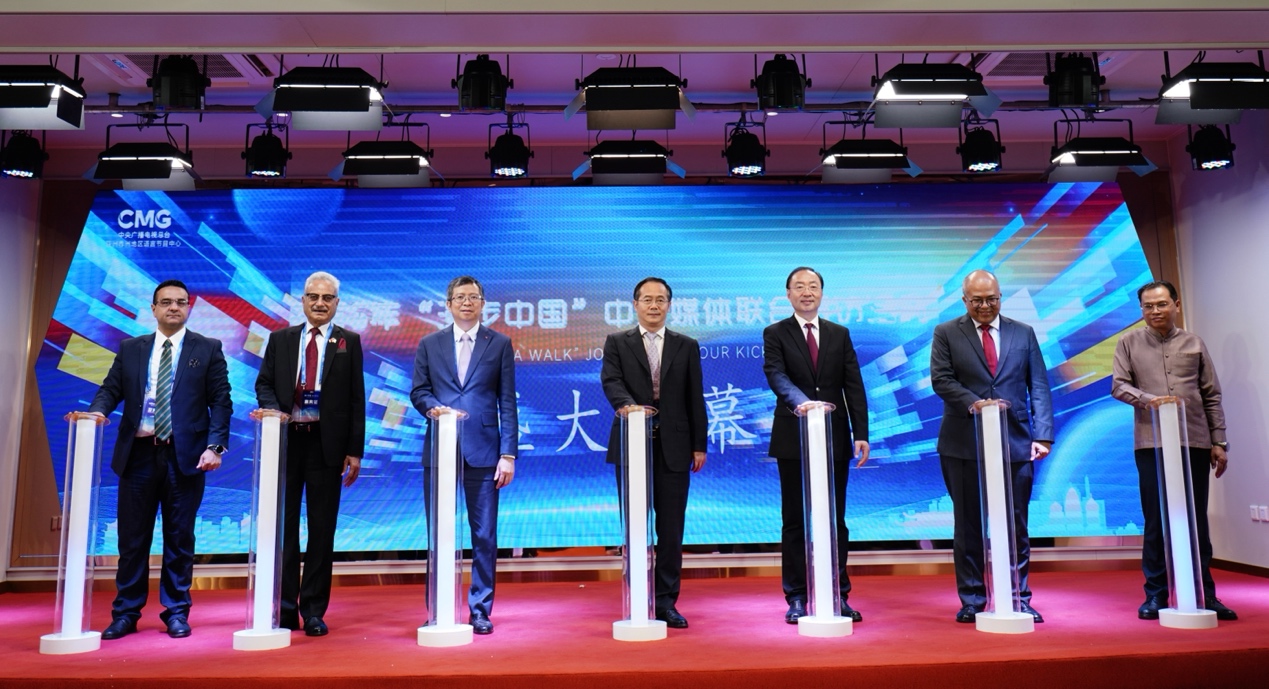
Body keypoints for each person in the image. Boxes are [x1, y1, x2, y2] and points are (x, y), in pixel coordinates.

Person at [89, 279, 232, 640]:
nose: (173, 307)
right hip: (137, 455)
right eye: (166, 302)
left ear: (189, 308)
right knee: (132, 540)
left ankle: (176, 611)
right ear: (153, 308)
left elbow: (221, 401)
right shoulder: (131, 348)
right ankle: (126, 612)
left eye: (180, 302)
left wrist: (215, 446)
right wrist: (96, 414)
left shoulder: (208, 348)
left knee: (179, 538)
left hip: (185, 457)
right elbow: (110, 389)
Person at [1111, 279, 1237, 621]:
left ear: (1176, 305)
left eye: (1162, 304)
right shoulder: (1128, 342)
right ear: (1141, 310)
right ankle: (1156, 594)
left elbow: (1211, 394)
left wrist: (1219, 441)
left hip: (1194, 441)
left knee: (1196, 521)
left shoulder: (1194, 343)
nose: (1155, 311)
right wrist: (1150, 400)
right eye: (1148, 306)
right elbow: (1119, 386)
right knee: (1156, 520)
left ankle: (1204, 594)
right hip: (1151, 443)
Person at [930, 269, 1052, 624]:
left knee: (1016, 524)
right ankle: (973, 599)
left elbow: (1038, 385)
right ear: (964, 300)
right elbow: (941, 379)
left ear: (1001, 297)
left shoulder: (1023, 332)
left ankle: (1018, 597)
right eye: (977, 300)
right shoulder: (946, 332)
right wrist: (976, 403)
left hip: (1015, 441)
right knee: (968, 525)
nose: (985, 306)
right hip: (962, 443)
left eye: (992, 299)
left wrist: (1042, 434)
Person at [254, 271, 366, 637]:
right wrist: (275, 412)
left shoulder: (349, 341)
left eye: (327, 298)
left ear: (337, 303)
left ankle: (314, 610)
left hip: (326, 446)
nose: (319, 303)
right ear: (302, 301)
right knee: (284, 529)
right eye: (313, 296)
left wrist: (354, 450)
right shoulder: (281, 339)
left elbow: (356, 399)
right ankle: (285, 609)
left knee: (322, 530)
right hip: (287, 442)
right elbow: (264, 384)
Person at [410, 276, 518, 635]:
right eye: (460, 297)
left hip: (484, 450)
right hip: (440, 447)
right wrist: (435, 409)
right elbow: (419, 391)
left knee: (484, 535)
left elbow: (507, 401)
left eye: (473, 297)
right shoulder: (430, 343)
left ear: (483, 303)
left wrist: (508, 454)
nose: (467, 302)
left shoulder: (499, 343)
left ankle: (480, 609)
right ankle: (439, 608)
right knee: (438, 532)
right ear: (448, 304)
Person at [763, 266, 870, 624]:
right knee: (795, 520)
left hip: (834, 437)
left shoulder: (839, 334)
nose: (806, 292)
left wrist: (861, 433)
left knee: (835, 519)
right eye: (799, 287)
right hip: (792, 437)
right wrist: (803, 403)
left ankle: (838, 593)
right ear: (788, 294)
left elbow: (853, 384)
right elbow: (775, 374)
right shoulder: (775, 333)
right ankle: (796, 595)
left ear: (822, 293)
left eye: (813, 286)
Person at [600, 277, 708, 629]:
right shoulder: (618, 342)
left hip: (674, 448)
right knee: (634, 525)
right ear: (635, 304)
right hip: (632, 443)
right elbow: (611, 381)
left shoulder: (686, 345)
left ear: (669, 305)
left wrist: (699, 444)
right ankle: (637, 598)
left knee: (671, 528)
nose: (654, 305)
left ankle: (665, 601)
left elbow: (695, 396)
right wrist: (629, 407)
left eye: (660, 300)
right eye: (647, 299)